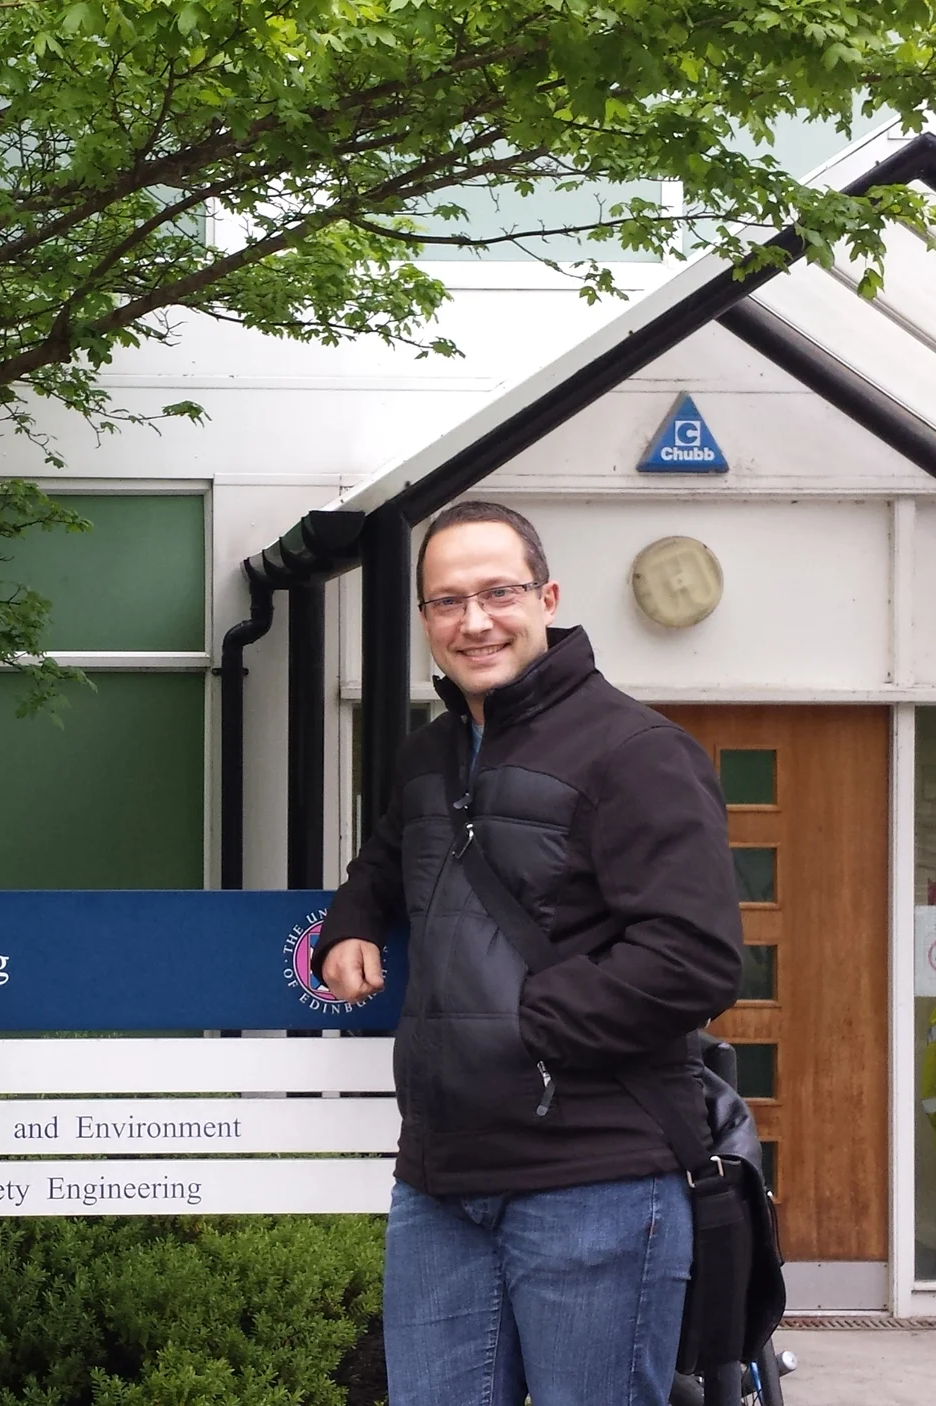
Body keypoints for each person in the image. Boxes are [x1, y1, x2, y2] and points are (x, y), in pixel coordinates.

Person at [317, 500, 742, 1406]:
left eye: (498, 592)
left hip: (595, 1177)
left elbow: (694, 959)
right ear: (427, 621)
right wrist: (352, 918)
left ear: (546, 596)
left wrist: (525, 1027)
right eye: (447, 602)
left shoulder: (638, 753)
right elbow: (391, 859)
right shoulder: (429, 755)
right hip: (440, 1179)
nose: (475, 621)